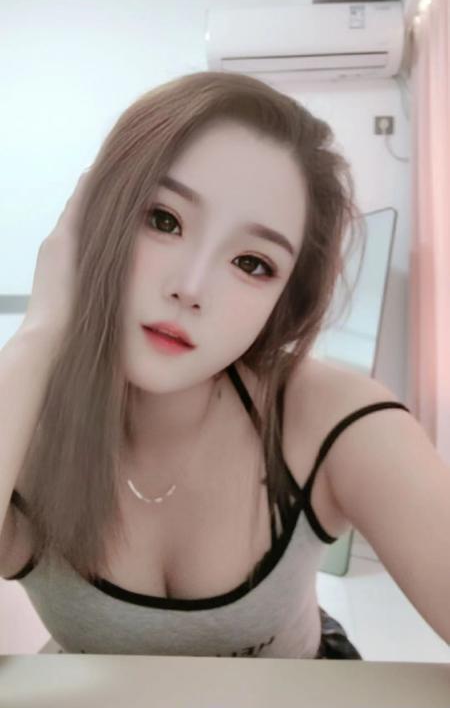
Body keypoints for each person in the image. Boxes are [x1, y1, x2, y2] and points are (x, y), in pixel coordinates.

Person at [0, 71, 449, 659]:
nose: (190, 288)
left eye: (252, 263)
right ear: (94, 218)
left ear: (283, 300)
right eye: (163, 220)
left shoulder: (332, 419)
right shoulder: (23, 418)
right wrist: (38, 335)